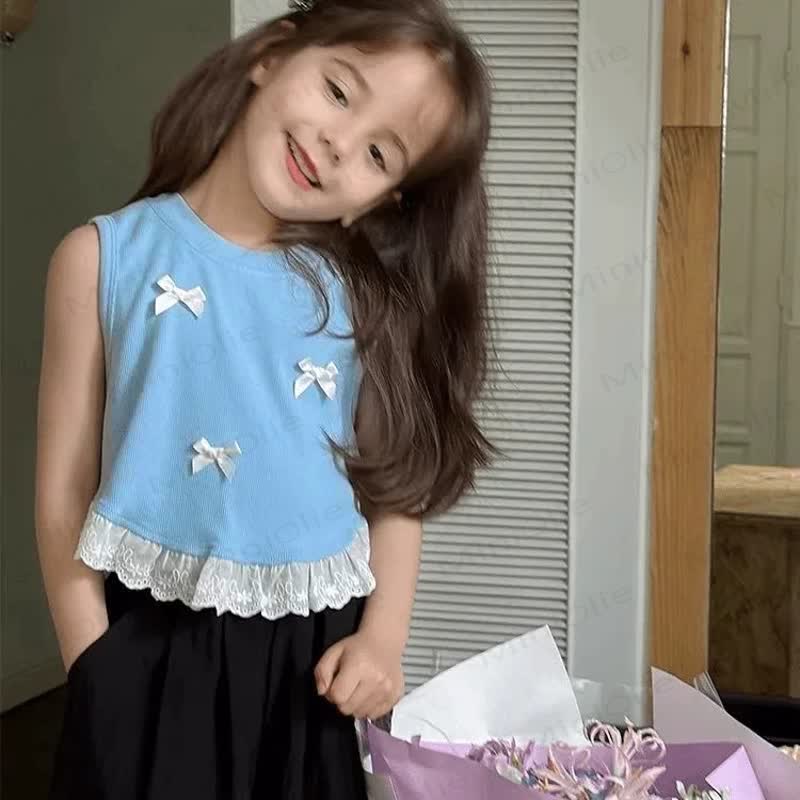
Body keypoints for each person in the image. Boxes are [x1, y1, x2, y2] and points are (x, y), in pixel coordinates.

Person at [35, 0, 493, 797]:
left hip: (312, 674)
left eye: (379, 153)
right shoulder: (100, 258)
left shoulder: (364, 300)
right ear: (273, 55)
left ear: (382, 200)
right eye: (339, 91)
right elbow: (63, 493)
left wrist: (383, 640)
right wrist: (94, 667)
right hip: (147, 649)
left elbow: (395, 489)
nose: (338, 143)